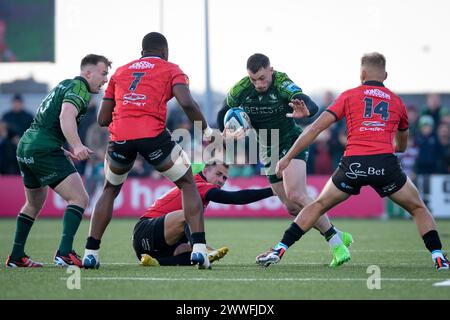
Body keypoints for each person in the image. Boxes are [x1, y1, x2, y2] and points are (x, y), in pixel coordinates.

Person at [256, 52, 449, 271]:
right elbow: (402, 146)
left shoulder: (349, 96)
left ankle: (279, 249)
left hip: (353, 164)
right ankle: (438, 257)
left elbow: (317, 128)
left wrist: (288, 156)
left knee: (318, 205)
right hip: (385, 163)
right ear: (385, 75)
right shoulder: (397, 102)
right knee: (418, 208)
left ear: (362, 73)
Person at [83, 32, 215, 270]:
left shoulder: (120, 72)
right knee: (187, 183)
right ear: (164, 51)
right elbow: (186, 103)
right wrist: (206, 131)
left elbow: (102, 119)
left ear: (142, 51)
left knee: (110, 189)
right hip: (153, 136)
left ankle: (91, 253)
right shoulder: (171, 68)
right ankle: (198, 250)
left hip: (120, 137)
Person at [217, 53, 353, 267]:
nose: (258, 84)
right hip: (266, 148)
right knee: (291, 207)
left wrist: (305, 112)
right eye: (254, 79)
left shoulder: (281, 83)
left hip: (291, 142)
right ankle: (336, 232)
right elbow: (224, 112)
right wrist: (226, 130)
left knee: (297, 194)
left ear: (270, 70)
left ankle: (336, 244)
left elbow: (310, 105)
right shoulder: (241, 89)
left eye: (262, 78)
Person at [5, 54, 111, 267]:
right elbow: (65, 115)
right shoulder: (80, 88)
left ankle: (16, 256)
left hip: (27, 145)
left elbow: (47, 119)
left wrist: (60, 146)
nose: (106, 80)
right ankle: (64, 253)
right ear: (87, 73)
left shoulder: (64, 84)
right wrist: (77, 145)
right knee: (79, 198)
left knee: (33, 203)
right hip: (43, 149)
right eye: (103, 74)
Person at [134, 162, 274, 266]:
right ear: (206, 171)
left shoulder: (195, 185)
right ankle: (204, 251)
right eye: (218, 174)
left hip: (155, 247)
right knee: (189, 217)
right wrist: (273, 191)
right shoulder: (198, 185)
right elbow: (235, 198)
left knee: (191, 250)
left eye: (225, 178)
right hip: (145, 231)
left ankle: (157, 262)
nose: (221, 181)